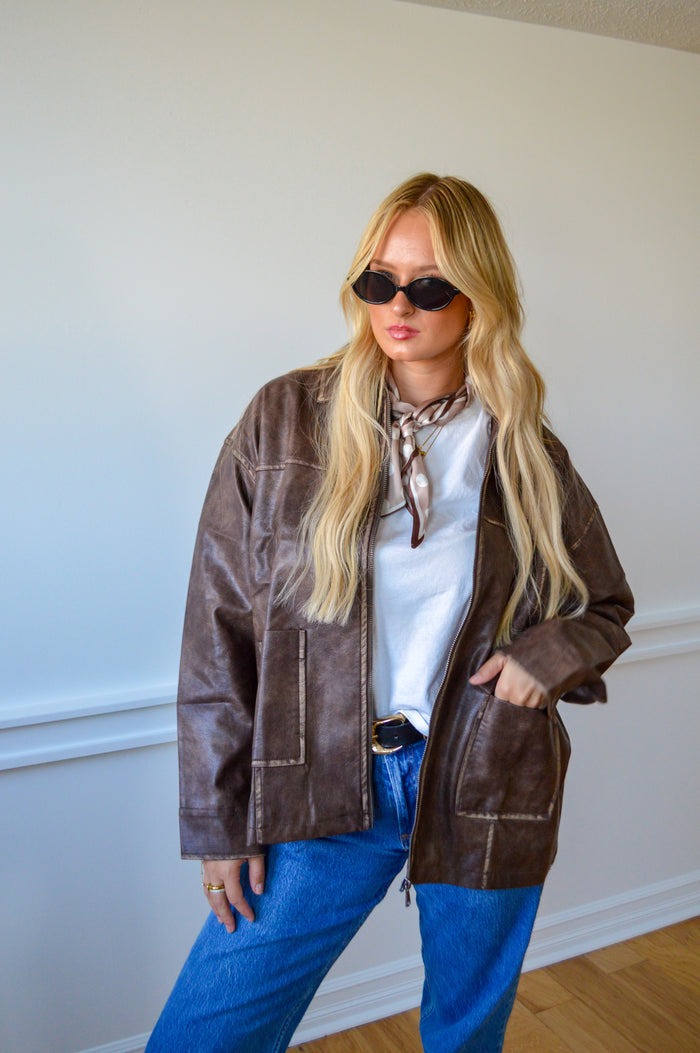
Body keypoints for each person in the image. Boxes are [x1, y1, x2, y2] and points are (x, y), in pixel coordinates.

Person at [146, 173, 634, 1052]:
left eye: (429, 285)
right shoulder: (285, 420)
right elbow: (218, 631)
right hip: (321, 782)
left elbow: (606, 603)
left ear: (479, 297)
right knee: (205, 1032)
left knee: (465, 1032)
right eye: (379, 280)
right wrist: (220, 821)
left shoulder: (523, 445)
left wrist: (546, 655)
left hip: (483, 775)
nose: (397, 305)